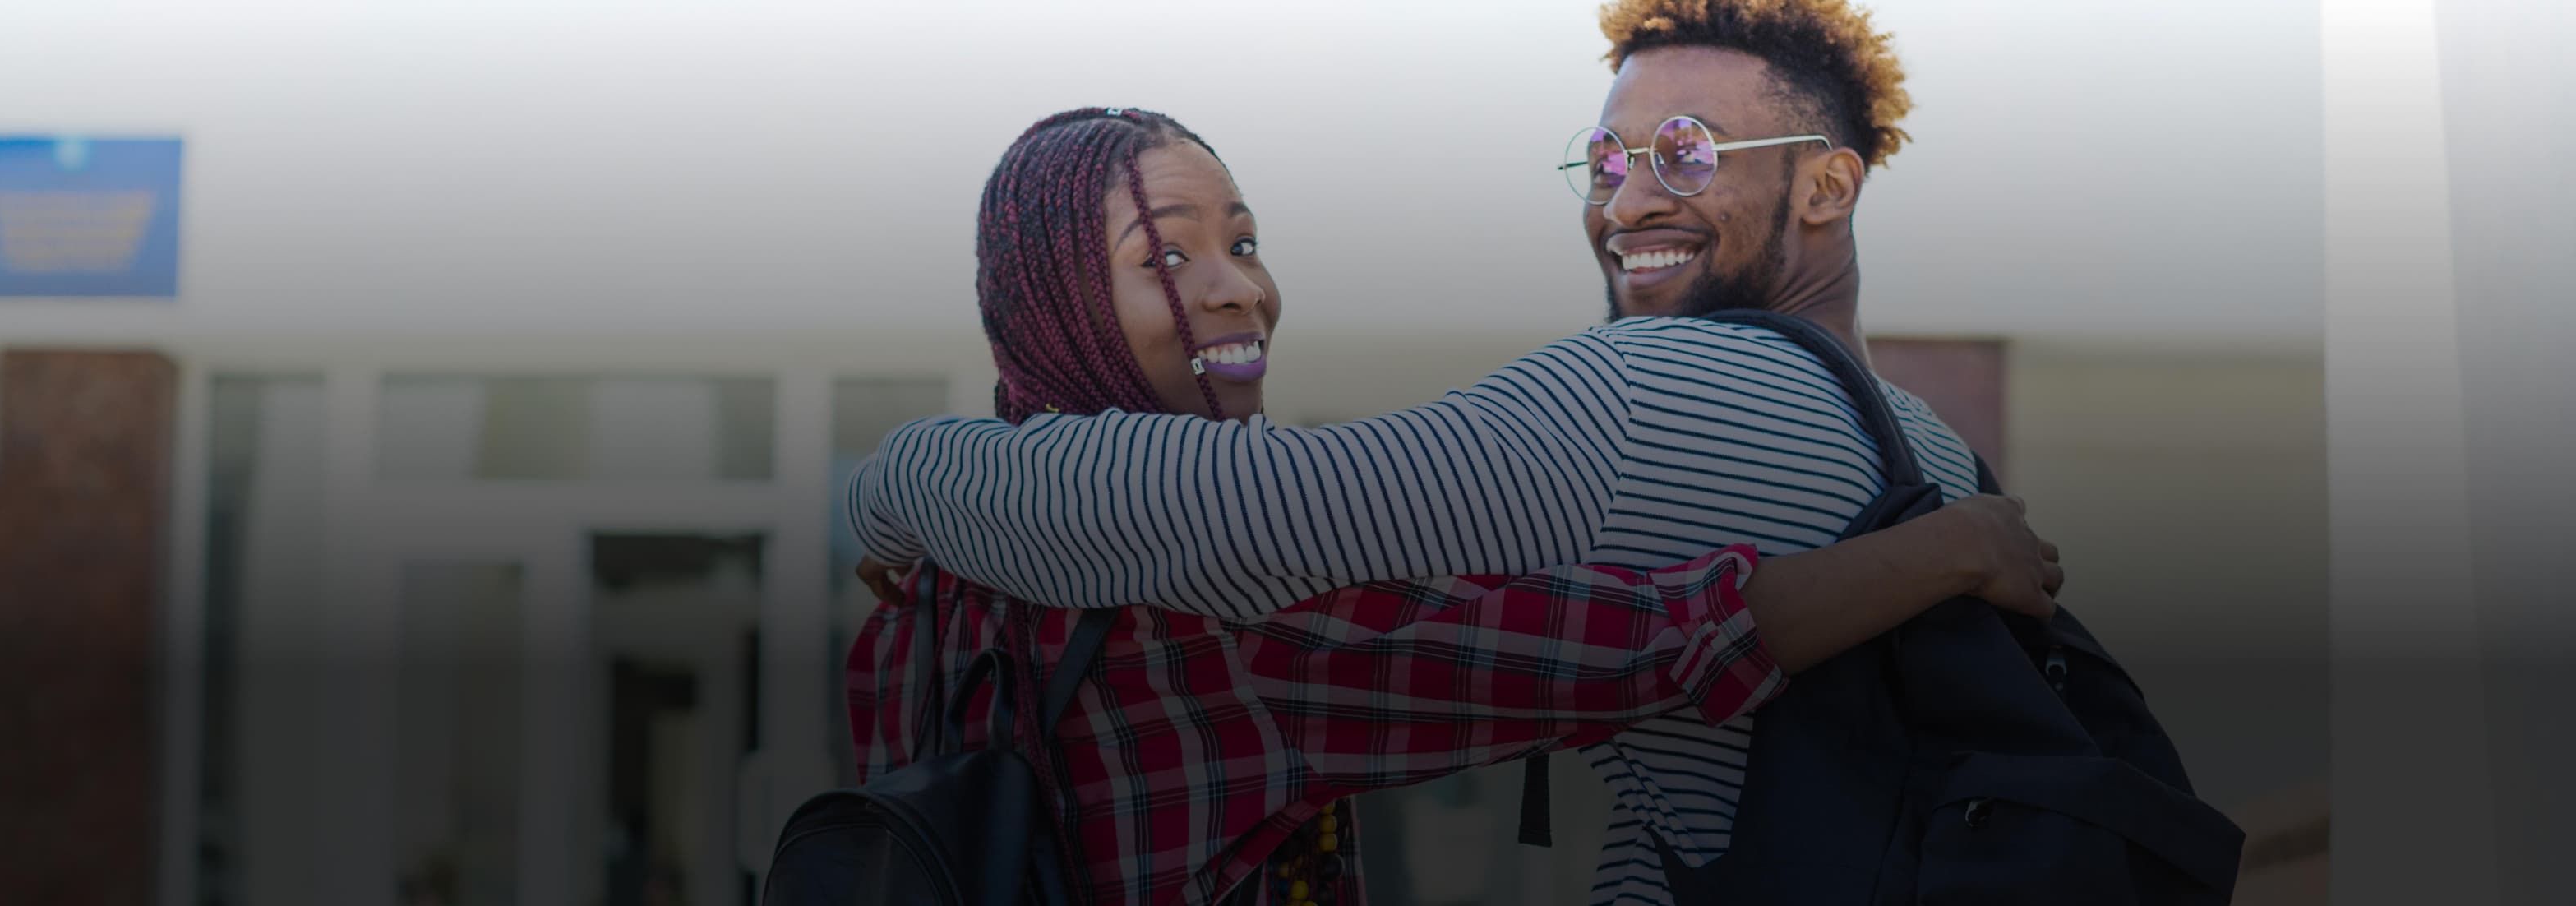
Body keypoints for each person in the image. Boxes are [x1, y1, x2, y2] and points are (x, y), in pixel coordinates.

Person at [848, 105, 2056, 906]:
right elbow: (1642, 646)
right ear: (1055, 299)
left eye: (1247, 239)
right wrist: (1948, 547)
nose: (1243, 291)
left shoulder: (924, 587)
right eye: (1167, 258)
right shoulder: (1225, 618)